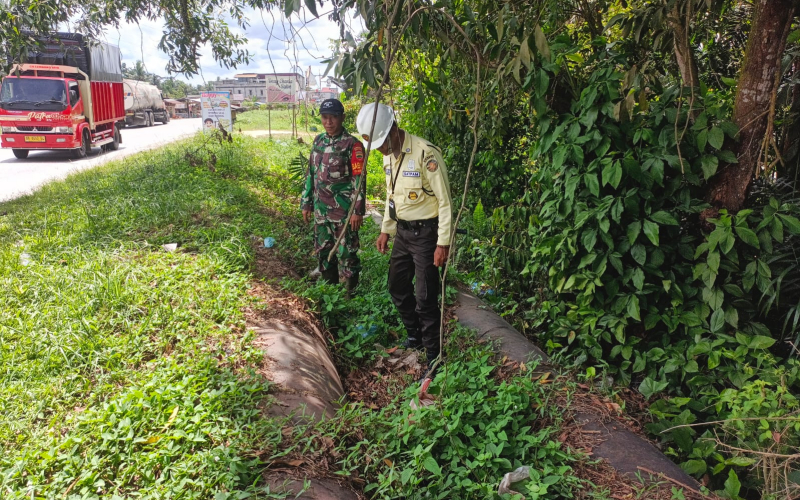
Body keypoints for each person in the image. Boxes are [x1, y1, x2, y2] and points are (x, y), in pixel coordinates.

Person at [356, 103, 453, 365]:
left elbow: (445, 202)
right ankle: (415, 336)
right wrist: (386, 230)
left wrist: (442, 243)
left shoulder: (425, 154)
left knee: (425, 297)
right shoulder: (388, 156)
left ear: (393, 131)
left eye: (381, 144)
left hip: (426, 235)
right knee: (396, 287)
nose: (379, 150)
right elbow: (392, 196)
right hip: (402, 233)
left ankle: (434, 357)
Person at [301, 98, 366, 297]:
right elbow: (311, 173)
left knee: (348, 255)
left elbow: (359, 179)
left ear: (342, 118)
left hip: (343, 213)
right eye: (325, 117)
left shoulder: (352, 145)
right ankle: (331, 294)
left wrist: (357, 211)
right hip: (321, 211)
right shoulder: (318, 141)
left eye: (333, 118)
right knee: (323, 252)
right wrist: (306, 202)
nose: (328, 122)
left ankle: (349, 296)